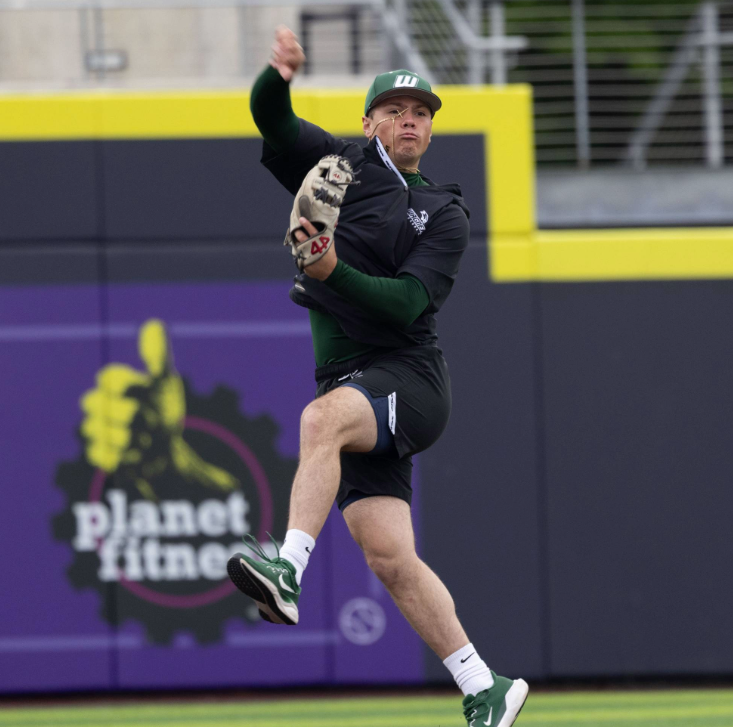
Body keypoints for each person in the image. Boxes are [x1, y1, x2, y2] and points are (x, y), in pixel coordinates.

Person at [224, 25, 529, 727]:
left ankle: (287, 568)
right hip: (353, 375)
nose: (409, 120)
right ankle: (485, 685)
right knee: (390, 555)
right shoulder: (339, 163)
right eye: (394, 110)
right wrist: (278, 74)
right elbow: (271, 119)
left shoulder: (443, 212)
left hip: (409, 378)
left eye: (421, 112)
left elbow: (409, 303)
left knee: (320, 419)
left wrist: (333, 271)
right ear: (369, 122)